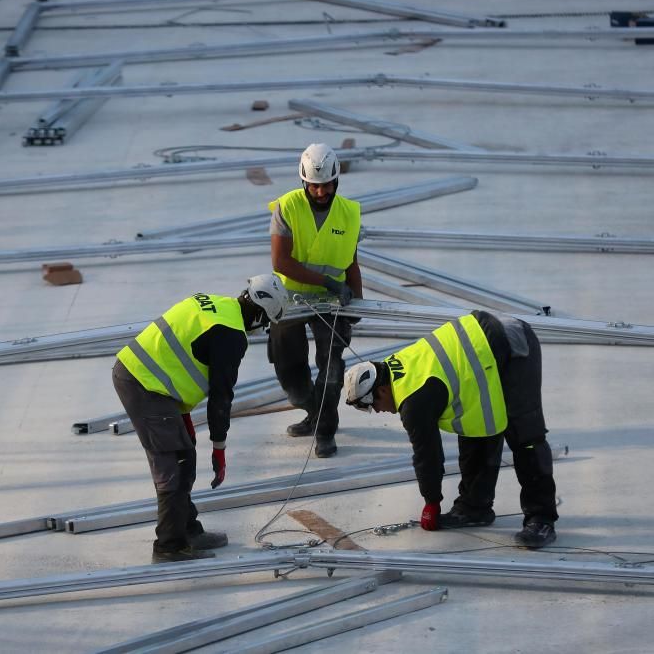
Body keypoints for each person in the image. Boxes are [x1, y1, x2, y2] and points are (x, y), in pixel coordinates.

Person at [344, 310, 559, 548]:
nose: (379, 411)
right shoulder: (397, 367)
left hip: (512, 346)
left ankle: (542, 519)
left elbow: (428, 457)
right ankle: (474, 508)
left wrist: (432, 503)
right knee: (473, 426)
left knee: (526, 436)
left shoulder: (413, 401)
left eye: (373, 405)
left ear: (382, 390)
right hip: (487, 345)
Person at [112, 274, 288, 563]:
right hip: (145, 385)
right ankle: (169, 546)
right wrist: (219, 448)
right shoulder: (231, 335)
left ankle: (188, 529)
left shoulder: (215, 304)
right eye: (266, 321)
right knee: (176, 463)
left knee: (183, 456)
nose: (264, 328)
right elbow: (221, 397)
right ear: (258, 313)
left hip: (146, 379)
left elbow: (178, 352)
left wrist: (182, 416)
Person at [268, 143, 363, 458]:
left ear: (337, 181)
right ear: (303, 182)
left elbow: (351, 260)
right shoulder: (287, 207)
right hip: (292, 297)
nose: (321, 191)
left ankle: (325, 430)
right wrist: (327, 282)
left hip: (332, 302)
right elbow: (281, 262)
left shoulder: (348, 212)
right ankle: (310, 408)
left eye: (327, 185)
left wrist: (357, 300)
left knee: (331, 368)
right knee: (286, 365)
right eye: (314, 185)